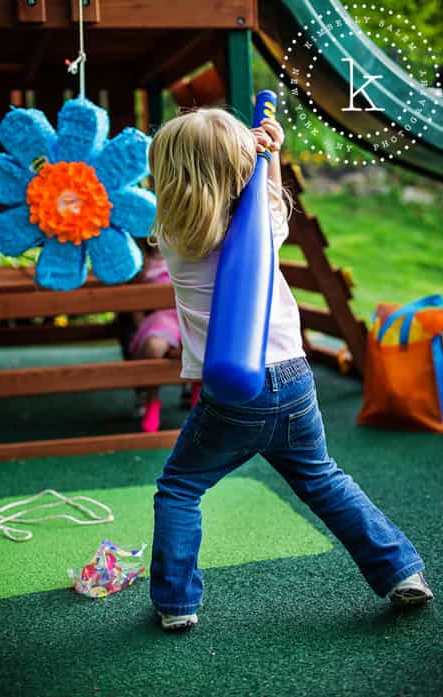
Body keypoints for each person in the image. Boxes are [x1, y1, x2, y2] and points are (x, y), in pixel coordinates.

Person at [146, 107, 432, 632]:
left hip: (232, 396)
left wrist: (257, 158)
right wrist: (270, 155)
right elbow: (271, 202)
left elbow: (220, 200)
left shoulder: (174, 240)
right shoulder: (265, 227)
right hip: (295, 379)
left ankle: (176, 602)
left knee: (180, 488)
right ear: (242, 169)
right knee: (322, 477)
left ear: (171, 179)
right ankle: (400, 571)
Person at [127, 244, 185, 433]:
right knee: (154, 346)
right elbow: (134, 305)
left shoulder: (186, 251)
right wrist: (143, 327)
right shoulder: (140, 261)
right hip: (160, 319)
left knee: (202, 342)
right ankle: (152, 399)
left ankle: (198, 391)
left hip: (188, 317)